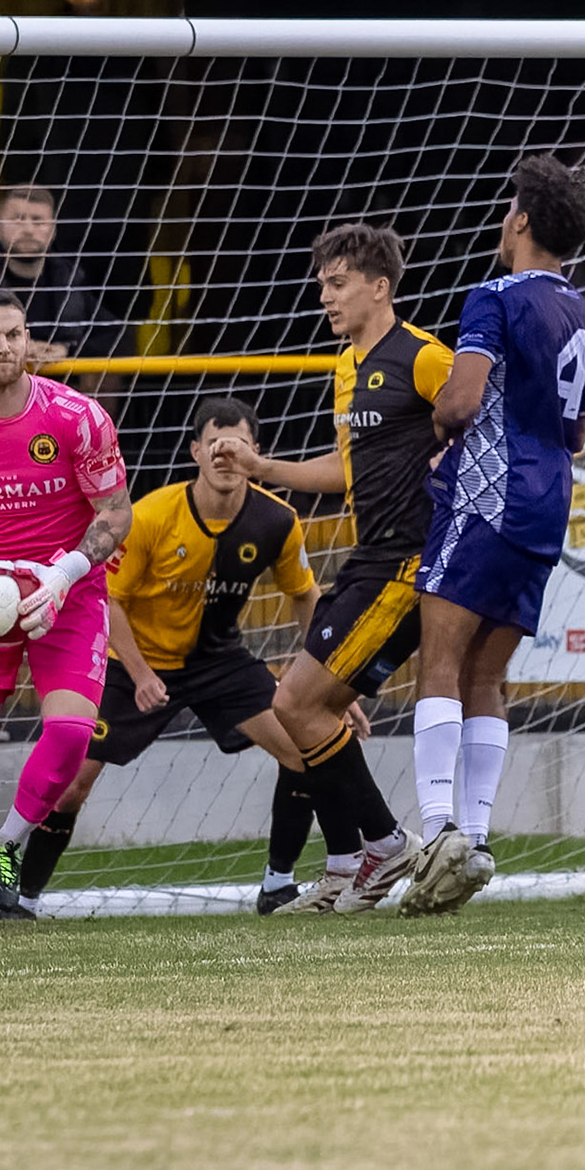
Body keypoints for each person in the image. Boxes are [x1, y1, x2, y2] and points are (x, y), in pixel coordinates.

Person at [15, 396, 340, 918]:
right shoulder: (150, 515)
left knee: (306, 750)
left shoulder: (278, 520)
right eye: (216, 445)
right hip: (134, 662)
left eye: (238, 446)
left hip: (219, 662)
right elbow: (109, 598)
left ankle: (278, 885)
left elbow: (304, 595)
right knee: (72, 782)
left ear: (257, 453)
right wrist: (140, 673)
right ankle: (22, 899)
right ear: (195, 451)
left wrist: (332, 675)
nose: (226, 456)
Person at [212, 223, 451, 914]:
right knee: (310, 708)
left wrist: (452, 465)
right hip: (367, 557)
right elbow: (343, 472)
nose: (324, 295)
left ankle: (380, 845)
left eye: (337, 282)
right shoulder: (346, 366)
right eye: (321, 283)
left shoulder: (425, 358)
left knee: (294, 703)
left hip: (408, 563)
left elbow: (481, 420)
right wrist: (262, 468)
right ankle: (354, 861)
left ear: (380, 289)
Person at [402, 153, 585, 918]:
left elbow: (459, 401)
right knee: (488, 674)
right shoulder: (583, 313)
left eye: (506, 208)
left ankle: (435, 833)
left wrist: (437, 425)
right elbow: (578, 431)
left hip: (486, 494)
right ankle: (477, 841)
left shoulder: (493, 294)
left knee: (442, 660)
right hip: (550, 502)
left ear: (520, 220)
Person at [0, 287, 133, 928]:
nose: (6, 347)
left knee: (69, 735)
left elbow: (115, 512)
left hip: (69, 593)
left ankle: (5, 845)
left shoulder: (77, 416)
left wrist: (64, 574)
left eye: (15, 334)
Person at [0, 0, 163, 325]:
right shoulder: (35, 46)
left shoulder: (134, 48)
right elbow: (17, 131)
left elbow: (154, 130)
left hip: (121, 213)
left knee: (118, 313)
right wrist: (25, 199)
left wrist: (150, 192)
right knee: (52, 314)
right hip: (56, 210)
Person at [0, 186, 124, 395]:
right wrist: (3, 351)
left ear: (52, 231)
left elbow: (112, 334)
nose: (28, 229)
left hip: (54, 399)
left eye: (38, 221)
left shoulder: (68, 279)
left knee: (104, 371)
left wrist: (65, 350)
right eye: (18, 219)